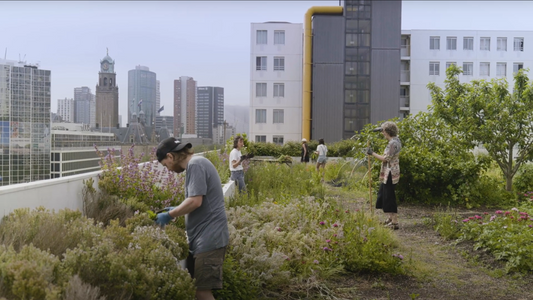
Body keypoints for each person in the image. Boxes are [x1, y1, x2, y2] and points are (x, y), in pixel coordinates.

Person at [155, 137, 229, 300]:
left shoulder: (195, 164)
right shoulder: (196, 165)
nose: (167, 169)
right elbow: (197, 200)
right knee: (197, 290)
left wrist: (169, 215)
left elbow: (195, 201)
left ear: (170, 156)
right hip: (204, 238)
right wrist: (178, 209)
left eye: (165, 165)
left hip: (210, 239)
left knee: (202, 292)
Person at [367, 121, 402, 230]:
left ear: (387, 131)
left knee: (389, 197)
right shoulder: (395, 140)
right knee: (383, 195)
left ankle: (395, 222)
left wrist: (372, 153)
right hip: (389, 171)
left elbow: (385, 158)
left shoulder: (393, 143)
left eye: (383, 131)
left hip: (391, 172)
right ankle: (390, 218)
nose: (382, 133)